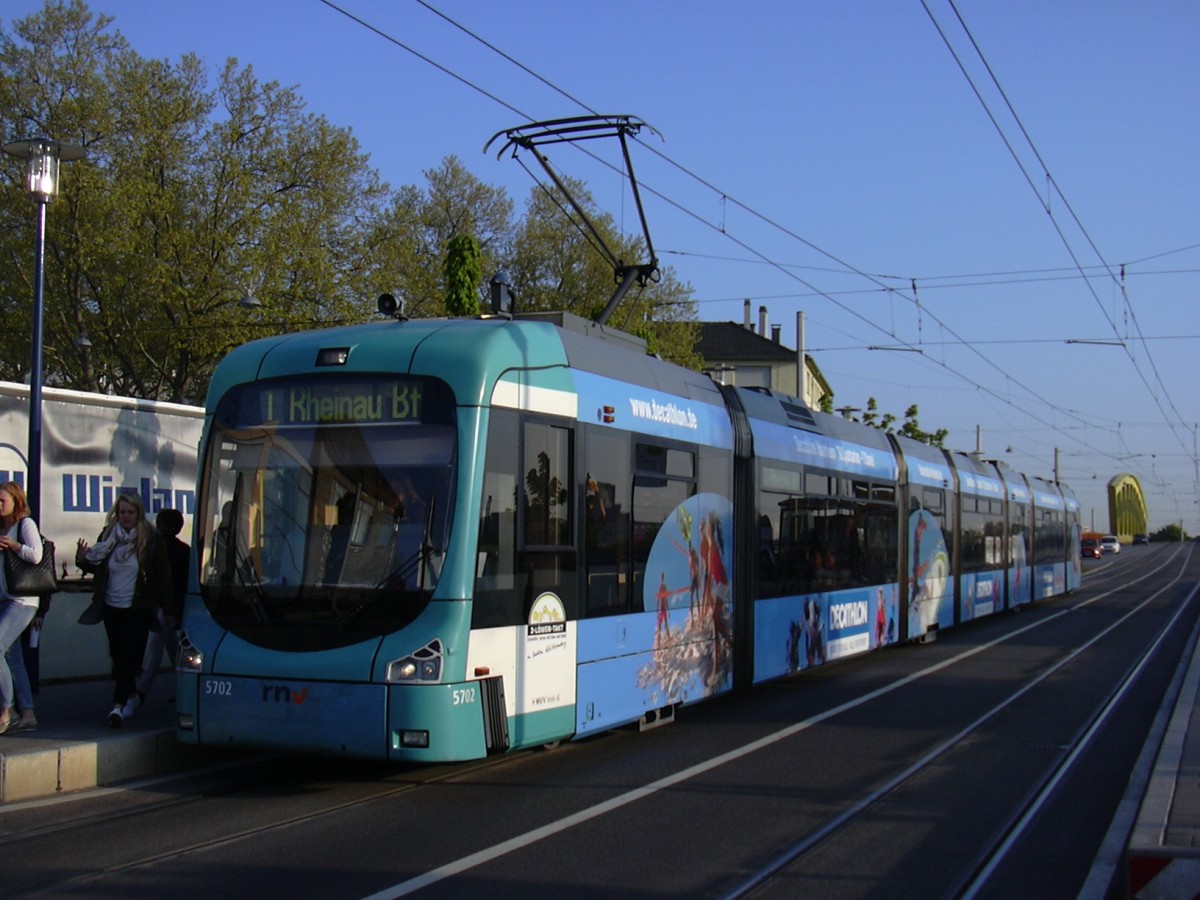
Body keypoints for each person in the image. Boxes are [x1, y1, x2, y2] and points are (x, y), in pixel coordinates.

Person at [75, 492, 172, 727]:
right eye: (122, 512)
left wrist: (169, 609)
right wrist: (81, 559)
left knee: (130, 654)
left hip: (138, 606)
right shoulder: (109, 536)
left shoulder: (151, 539)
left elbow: (163, 575)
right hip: (111, 605)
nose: (126, 517)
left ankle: (117, 706)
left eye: (130, 512)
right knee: (118, 656)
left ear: (138, 513)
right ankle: (131, 694)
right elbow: (95, 564)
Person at [0, 481, 44, 733]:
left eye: (2, 500)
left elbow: (36, 555)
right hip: (5, 598)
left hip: (23, 600)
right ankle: (27, 712)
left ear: (16, 501)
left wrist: (14, 545)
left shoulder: (25, 524)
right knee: (14, 658)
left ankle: (6, 710)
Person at [135, 508, 188, 704]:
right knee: (172, 650)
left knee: (156, 651)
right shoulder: (179, 550)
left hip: (165, 609)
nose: (158, 527)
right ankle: (184, 687)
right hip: (165, 608)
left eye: (161, 524)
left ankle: (141, 692)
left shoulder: (162, 550)